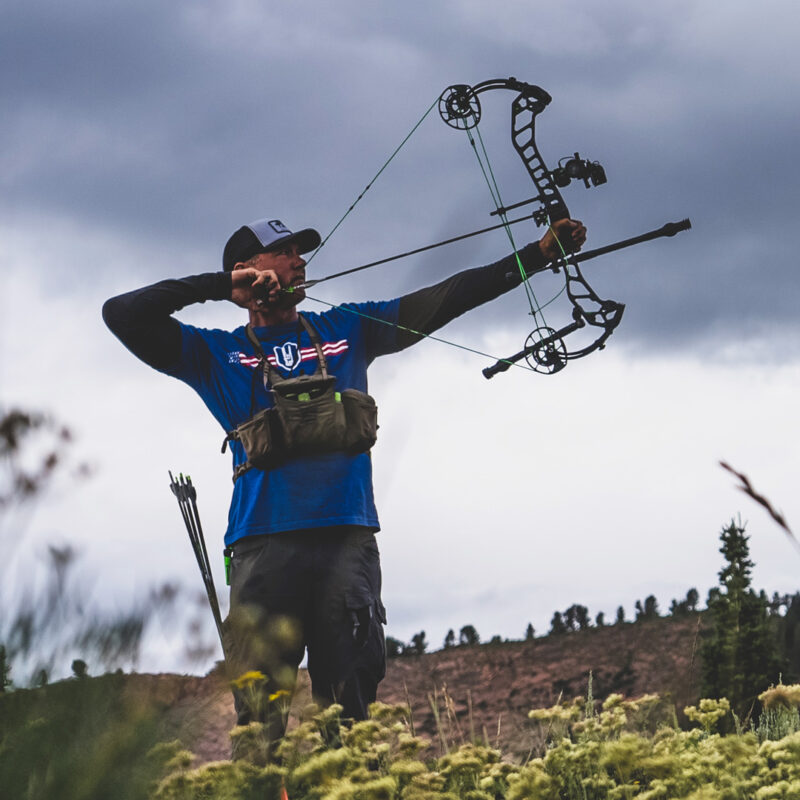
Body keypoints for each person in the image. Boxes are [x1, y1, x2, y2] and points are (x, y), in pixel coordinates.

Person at [102, 214, 586, 753]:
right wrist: (221, 289)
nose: (299, 260)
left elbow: (444, 299)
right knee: (259, 725)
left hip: (347, 544)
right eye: (283, 251)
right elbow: (120, 313)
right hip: (262, 549)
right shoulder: (212, 353)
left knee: (353, 718)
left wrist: (537, 256)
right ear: (247, 270)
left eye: (299, 252)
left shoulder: (348, 327)